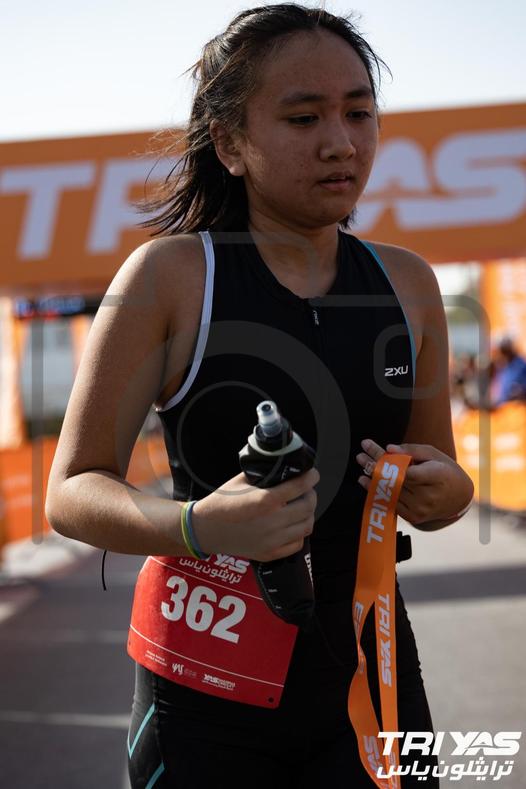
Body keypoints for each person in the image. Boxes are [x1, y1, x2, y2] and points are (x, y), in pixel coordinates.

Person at [45, 5, 474, 787]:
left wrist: (448, 490)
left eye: (359, 112)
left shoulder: (409, 284)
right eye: (304, 117)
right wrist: (198, 524)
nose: (341, 141)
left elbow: (440, 478)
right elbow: (72, 490)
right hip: (201, 689)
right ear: (230, 144)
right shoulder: (172, 277)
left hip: (370, 674)